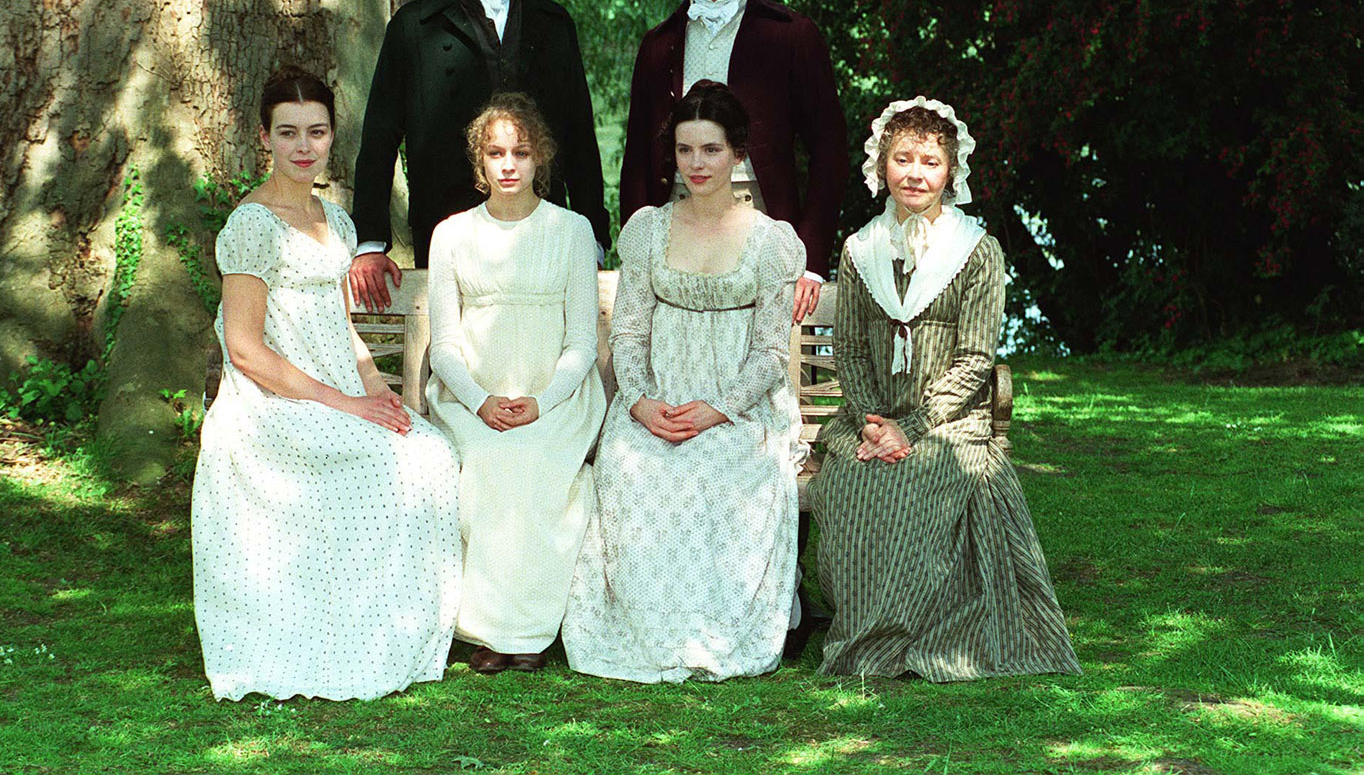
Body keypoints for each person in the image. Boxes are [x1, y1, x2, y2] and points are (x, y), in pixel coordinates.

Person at [191, 67, 461, 702]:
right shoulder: (251, 226)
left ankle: (385, 630)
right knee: (392, 462)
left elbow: (341, 327)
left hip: (339, 391)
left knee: (430, 451)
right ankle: (327, 635)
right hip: (272, 406)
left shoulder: (335, 221)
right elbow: (245, 349)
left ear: (333, 136)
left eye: (316, 131)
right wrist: (347, 405)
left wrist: (375, 387)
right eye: (288, 132)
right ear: (264, 138)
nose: (303, 146)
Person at [809, 97, 1081, 681]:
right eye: (902, 159)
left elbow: (976, 359)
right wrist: (873, 423)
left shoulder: (977, 251)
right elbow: (849, 349)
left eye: (930, 162)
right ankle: (867, 628)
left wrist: (910, 428)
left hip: (948, 420)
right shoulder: (861, 250)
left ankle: (915, 631)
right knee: (851, 487)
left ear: (951, 172)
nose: (915, 173)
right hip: (871, 421)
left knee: (919, 481)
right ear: (881, 165)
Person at [563, 81, 805, 683]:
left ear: (738, 153)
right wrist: (641, 403)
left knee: (720, 468)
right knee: (632, 465)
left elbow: (771, 352)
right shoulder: (649, 229)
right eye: (685, 149)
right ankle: (648, 631)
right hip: (658, 397)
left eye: (711, 149)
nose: (697, 164)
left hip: (739, 405)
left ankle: (717, 630)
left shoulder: (770, 240)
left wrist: (718, 407)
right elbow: (628, 334)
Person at [350, 0, 610, 310]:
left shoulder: (553, 24)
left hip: (545, 236)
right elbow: (378, 138)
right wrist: (370, 242)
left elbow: (580, 137)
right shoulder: (414, 27)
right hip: (447, 236)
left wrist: (594, 238)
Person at [424, 93, 607, 674]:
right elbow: (444, 345)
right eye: (496, 153)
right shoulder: (452, 234)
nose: (509, 165)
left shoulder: (572, 230)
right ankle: (490, 629)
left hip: (558, 397)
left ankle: (529, 632)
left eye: (521, 153)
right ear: (479, 161)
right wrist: (480, 402)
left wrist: (542, 401)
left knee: (533, 463)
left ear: (540, 158)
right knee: (490, 463)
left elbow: (582, 342)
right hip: (469, 398)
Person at [620, 0, 848, 325]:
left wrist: (813, 258)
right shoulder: (658, 45)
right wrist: (636, 248)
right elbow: (637, 161)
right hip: (676, 226)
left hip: (764, 223)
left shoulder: (791, 35)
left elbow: (830, 151)